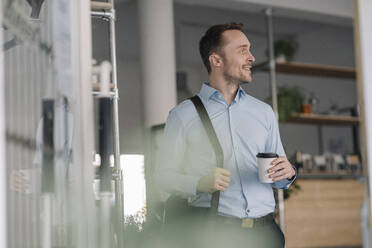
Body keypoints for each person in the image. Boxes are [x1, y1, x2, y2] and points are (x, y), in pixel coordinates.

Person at [156, 22, 297, 248]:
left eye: (250, 50)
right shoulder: (183, 115)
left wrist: (287, 173)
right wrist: (199, 183)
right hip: (216, 234)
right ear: (216, 60)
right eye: (242, 50)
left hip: (266, 233)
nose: (251, 57)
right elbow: (162, 177)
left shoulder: (263, 112)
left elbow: (279, 176)